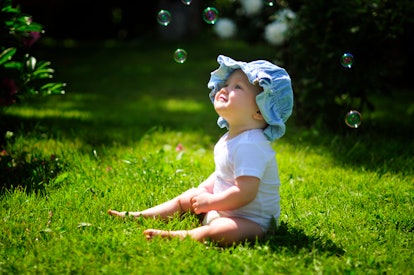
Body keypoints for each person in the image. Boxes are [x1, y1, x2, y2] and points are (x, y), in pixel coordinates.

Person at [108, 55, 294, 246]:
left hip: (252, 223)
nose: (225, 88)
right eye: (227, 84)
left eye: (237, 87)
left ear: (260, 111)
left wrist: (210, 203)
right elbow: (222, 174)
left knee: (222, 231)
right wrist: (203, 191)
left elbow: (245, 192)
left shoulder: (251, 144)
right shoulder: (230, 138)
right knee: (187, 198)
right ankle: (141, 216)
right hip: (222, 208)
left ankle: (179, 236)